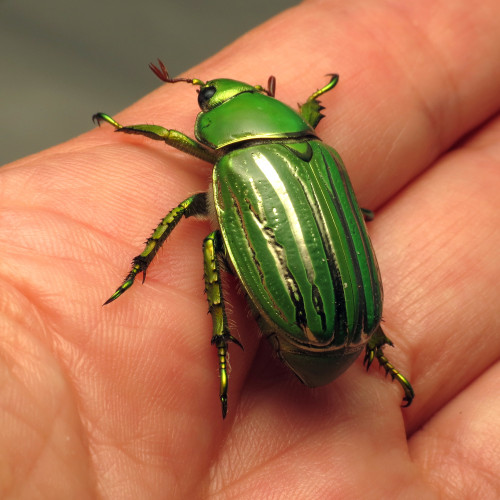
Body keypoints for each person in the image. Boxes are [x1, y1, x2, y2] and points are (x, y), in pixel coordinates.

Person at [1, 0, 499, 497]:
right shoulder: (321, 154)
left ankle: (224, 342)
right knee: (306, 239)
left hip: (306, 323)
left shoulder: (233, 166)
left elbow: (171, 141)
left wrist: (127, 128)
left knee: (207, 237)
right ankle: (369, 345)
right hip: (344, 318)